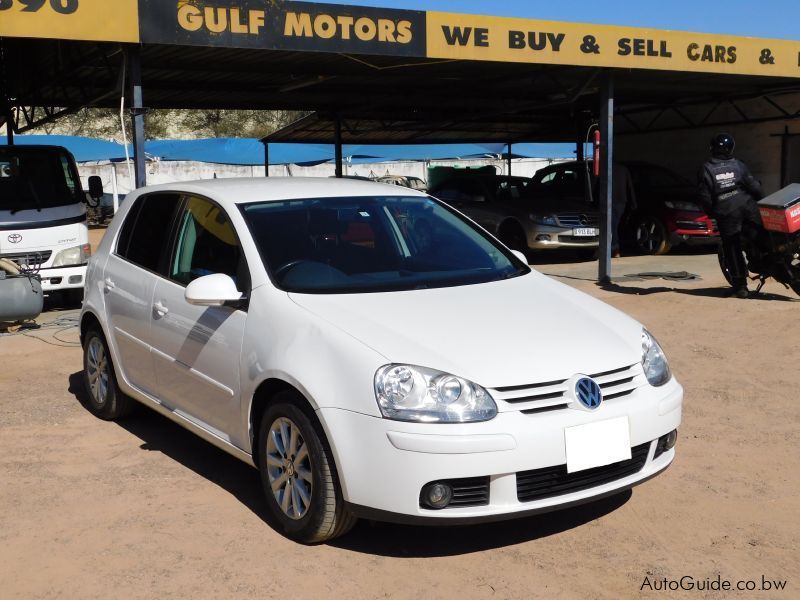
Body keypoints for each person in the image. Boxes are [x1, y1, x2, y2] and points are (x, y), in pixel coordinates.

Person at [698, 133, 764, 299]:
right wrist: (761, 199)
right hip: (748, 207)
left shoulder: (707, 168)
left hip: (726, 212)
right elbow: (754, 187)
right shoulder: (738, 165)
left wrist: (712, 212)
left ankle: (741, 287)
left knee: (732, 248)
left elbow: (704, 196)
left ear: (712, 148)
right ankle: (768, 260)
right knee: (760, 236)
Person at [611, 163, 636, 257]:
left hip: (610, 201)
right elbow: (630, 186)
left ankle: (615, 248)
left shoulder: (604, 168)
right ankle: (615, 248)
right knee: (615, 225)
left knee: (612, 226)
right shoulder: (624, 169)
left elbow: (596, 184)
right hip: (621, 201)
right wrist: (633, 203)